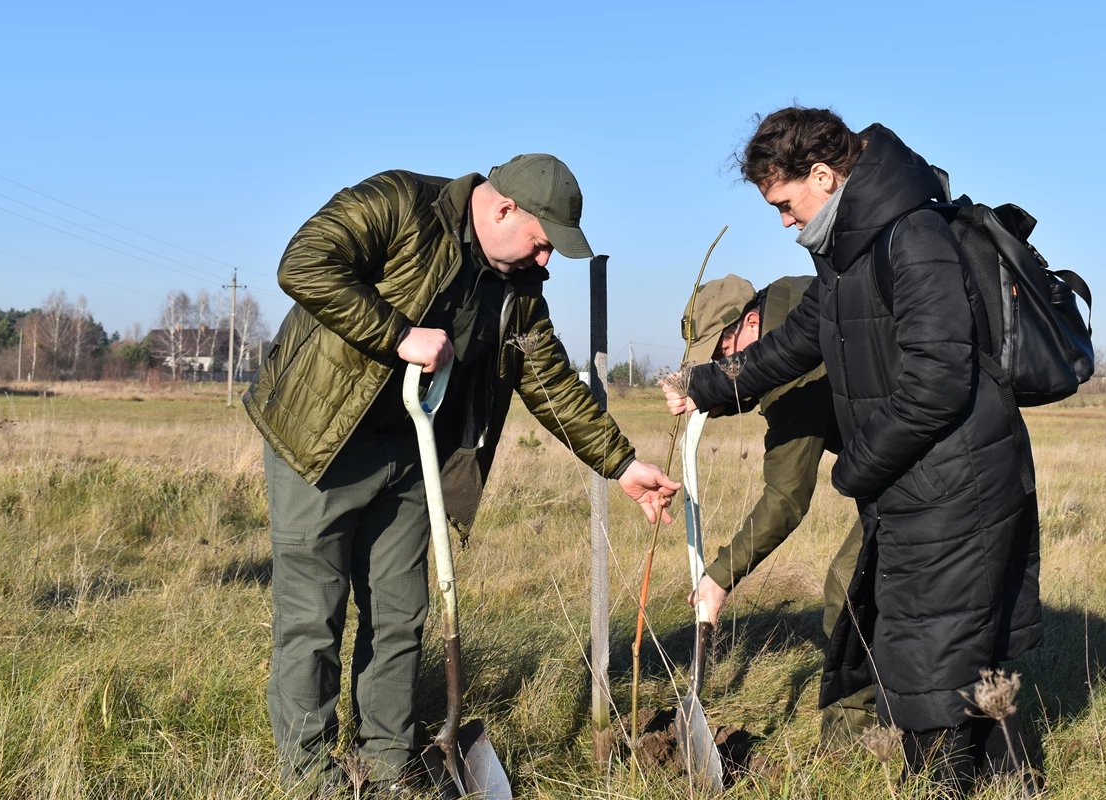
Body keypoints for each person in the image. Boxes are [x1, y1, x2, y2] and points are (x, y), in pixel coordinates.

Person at [243, 154, 680, 794]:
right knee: (314, 617)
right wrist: (398, 335)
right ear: (504, 209)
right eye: (542, 242)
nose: (546, 261)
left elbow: (549, 380)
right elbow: (304, 263)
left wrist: (621, 463)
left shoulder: (519, 290)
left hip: (417, 457)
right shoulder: (398, 205)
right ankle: (309, 778)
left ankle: (389, 765)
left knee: (400, 615)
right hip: (323, 443)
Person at [665, 108, 1043, 794]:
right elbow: (794, 342)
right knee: (946, 649)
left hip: (957, 481)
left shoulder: (911, 236)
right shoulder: (848, 252)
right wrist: (709, 386)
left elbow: (937, 379)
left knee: (932, 656)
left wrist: (857, 466)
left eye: (784, 202)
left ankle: (954, 785)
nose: (782, 220)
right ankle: (1008, 782)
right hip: (919, 482)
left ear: (822, 173)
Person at [674, 273, 874, 747]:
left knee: (853, 586)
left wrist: (720, 577)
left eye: (721, 356)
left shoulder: (795, 368)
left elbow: (786, 499)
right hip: (916, 449)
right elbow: (748, 375)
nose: (721, 366)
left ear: (749, 323)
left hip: (929, 457)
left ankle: (855, 744)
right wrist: (703, 393)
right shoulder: (791, 299)